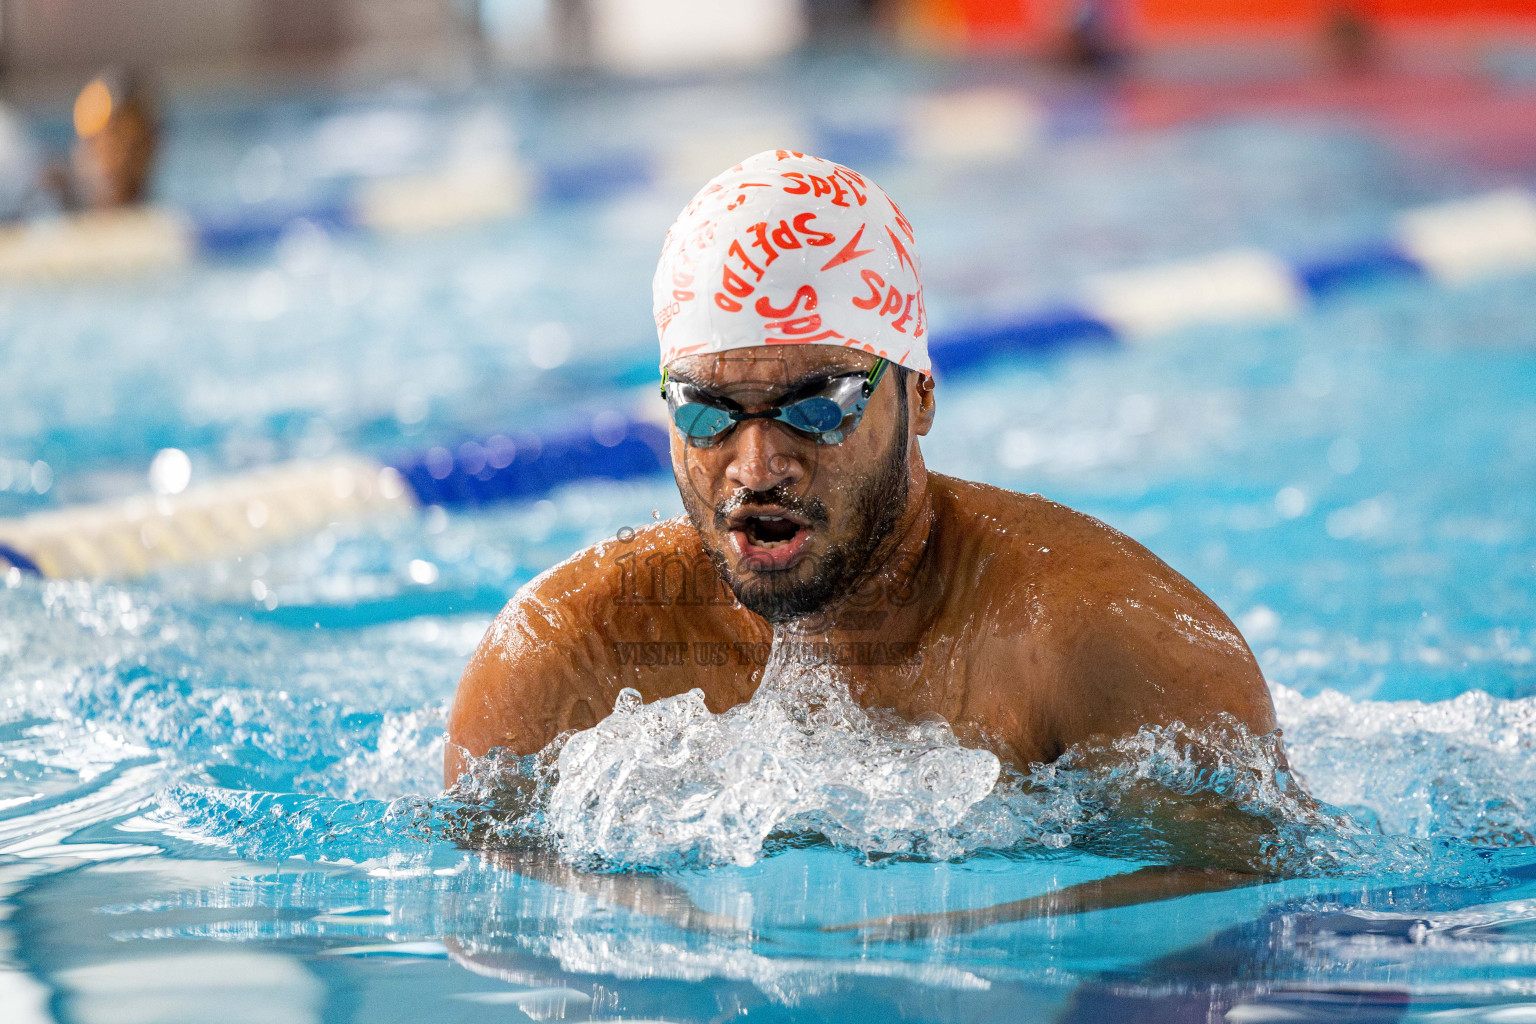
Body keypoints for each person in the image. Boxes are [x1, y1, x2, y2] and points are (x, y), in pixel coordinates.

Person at [445, 151, 1280, 872]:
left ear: (919, 398)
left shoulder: (1102, 644)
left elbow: (1247, 925)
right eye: (707, 410)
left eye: (818, 405)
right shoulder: (565, 659)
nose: (758, 465)